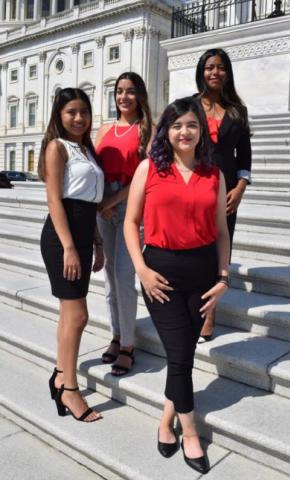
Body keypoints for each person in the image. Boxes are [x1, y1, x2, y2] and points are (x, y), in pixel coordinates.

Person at [124, 97, 230, 474]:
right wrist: (141, 269)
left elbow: (221, 232)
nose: (184, 132)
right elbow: (130, 223)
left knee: (182, 354)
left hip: (202, 273)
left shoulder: (213, 175)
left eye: (191, 125)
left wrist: (223, 277)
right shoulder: (148, 168)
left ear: (201, 131)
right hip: (160, 275)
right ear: (165, 132)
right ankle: (190, 432)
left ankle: (165, 419)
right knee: (179, 354)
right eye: (176, 125)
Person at [39, 88, 104, 422]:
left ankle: (60, 376)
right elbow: (55, 201)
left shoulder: (86, 150)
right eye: (71, 112)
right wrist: (68, 247)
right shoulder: (57, 147)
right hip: (61, 238)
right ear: (59, 115)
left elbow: (89, 203)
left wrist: (97, 243)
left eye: (84, 112)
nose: (79, 118)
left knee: (70, 314)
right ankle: (69, 390)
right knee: (78, 316)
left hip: (82, 234)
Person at [95, 71, 154, 376]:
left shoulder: (148, 130)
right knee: (108, 278)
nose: (124, 97)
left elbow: (146, 178)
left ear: (139, 95)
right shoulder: (104, 129)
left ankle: (129, 345)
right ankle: (116, 335)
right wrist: (100, 203)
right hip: (104, 207)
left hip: (132, 208)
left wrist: (112, 201)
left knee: (123, 276)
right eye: (119, 91)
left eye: (130, 91)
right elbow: (95, 170)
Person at [194, 48, 252, 341]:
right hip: (193, 188)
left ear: (227, 73)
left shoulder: (236, 111)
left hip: (226, 191)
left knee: (220, 251)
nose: (215, 72)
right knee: (195, 248)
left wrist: (240, 188)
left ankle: (210, 312)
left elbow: (245, 156)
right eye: (209, 67)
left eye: (220, 68)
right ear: (201, 72)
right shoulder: (189, 107)